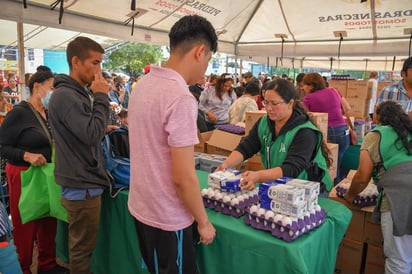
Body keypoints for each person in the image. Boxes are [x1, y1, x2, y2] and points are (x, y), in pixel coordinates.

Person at [127, 15, 217, 274]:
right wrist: (203, 222)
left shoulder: (142, 85)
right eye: (208, 60)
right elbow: (184, 177)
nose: (205, 69)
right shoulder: (180, 97)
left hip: (142, 206)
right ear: (200, 51)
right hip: (167, 217)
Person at [48, 36, 111, 274]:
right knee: (82, 251)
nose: (99, 70)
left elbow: (85, 131)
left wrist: (102, 125)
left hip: (81, 182)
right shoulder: (66, 95)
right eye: (95, 63)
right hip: (82, 185)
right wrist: (102, 97)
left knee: (81, 248)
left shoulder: (73, 93)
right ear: (76, 61)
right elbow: (91, 134)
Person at [0, 71, 68, 274]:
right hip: (24, 174)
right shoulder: (19, 112)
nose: (54, 92)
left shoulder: (48, 112)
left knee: (49, 219)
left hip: (47, 174)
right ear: (37, 86)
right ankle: (23, 267)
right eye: (52, 87)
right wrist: (26, 155)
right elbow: (3, 146)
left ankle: (47, 265)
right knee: (26, 223)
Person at [218, 79, 333, 194]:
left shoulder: (305, 132)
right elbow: (247, 147)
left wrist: (258, 176)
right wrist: (226, 164)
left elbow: (291, 169)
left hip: (309, 188)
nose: (268, 108)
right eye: (266, 102)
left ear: (290, 103)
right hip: (282, 186)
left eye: (274, 104)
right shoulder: (264, 122)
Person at [342, 101, 412, 273]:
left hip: (400, 200)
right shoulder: (409, 131)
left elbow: (361, 177)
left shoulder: (376, 135)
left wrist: (350, 196)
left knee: (399, 261)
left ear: (379, 117)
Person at [302, 72, 349, 183]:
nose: (303, 88)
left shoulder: (309, 98)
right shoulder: (334, 91)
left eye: (304, 85)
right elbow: (347, 108)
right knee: (338, 161)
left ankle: (330, 189)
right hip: (343, 130)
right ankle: (338, 186)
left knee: (329, 166)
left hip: (327, 132)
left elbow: (304, 116)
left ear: (311, 85)